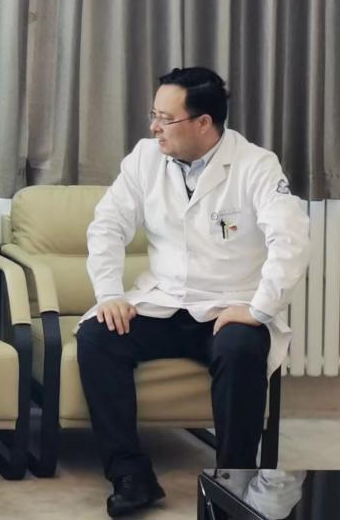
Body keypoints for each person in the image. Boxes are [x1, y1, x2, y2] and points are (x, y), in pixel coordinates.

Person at [77, 67, 310, 517]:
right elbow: (107, 226)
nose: (154, 127)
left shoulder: (256, 165)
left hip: (229, 307)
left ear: (204, 122)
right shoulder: (144, 159)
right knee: (97, 337)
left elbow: (291, 239)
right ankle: (130, 475)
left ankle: (232, 483)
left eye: (166, 119)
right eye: (153, 115)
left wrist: (259, 308)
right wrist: (109, 294)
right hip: (164, 302)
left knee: (241, 349)